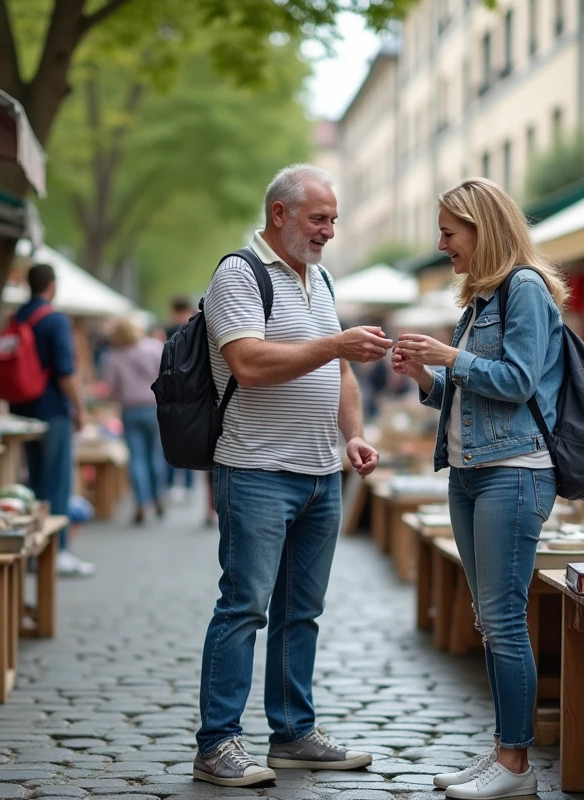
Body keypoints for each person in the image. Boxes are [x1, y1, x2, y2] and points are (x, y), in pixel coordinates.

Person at [193, 164, 387, 787]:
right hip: (255, 469)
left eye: (333, 219)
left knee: (302, 611)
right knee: (244, 607)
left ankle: (293, 733)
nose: (329, 230)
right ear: (280, 214)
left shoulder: (321, 278)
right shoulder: (238, 274)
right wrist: (336, 346)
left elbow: (344, 374)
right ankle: (217, 743)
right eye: (318, 218)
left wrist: (353, 432)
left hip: (321, 473)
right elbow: (247, 363)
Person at [391, 178, 567, 800]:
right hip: (471, 473)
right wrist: (426, 377)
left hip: (515, 473)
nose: (442, 245)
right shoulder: (483, 299)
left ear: (480, 227)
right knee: (491, 621)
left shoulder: (524, 288)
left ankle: (515, 765)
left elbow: (518, 380)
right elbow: (474, 397)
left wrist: (448, 356)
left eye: (448, 232)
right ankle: (502, 749)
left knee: (504, 620)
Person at [9, 263, 95, 577]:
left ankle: (33, 550)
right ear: (52, 285)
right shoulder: (54, 319)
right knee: (57, 482)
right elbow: (66, 371)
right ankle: (56, 551)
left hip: (23, 409)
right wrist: (81, 409)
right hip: (52, 412)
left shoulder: (18, 317)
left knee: (35, 482)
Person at [102, 317, 165, 524]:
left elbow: (110, 387)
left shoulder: (114, 356)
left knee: (136, 458)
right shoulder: (153, 348)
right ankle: (158, 497)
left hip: (130, 410)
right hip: (154, 407)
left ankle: (140, 502)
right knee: (155, 455)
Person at [163, 296, 198, 500]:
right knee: (190, 438)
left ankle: (170, 484)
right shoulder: (196, 327)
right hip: (193, 390)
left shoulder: (167, 331)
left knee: (171, 437)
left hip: (172, 390)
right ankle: (188, 484)